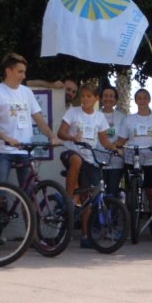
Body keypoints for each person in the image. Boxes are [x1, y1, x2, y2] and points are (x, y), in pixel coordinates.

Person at [0, 52, 59, 190]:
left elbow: (39, 119)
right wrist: (6, 138)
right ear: (8, 71)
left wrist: (52, 136)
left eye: (24, 72)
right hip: (3, 151)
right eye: (20, 72)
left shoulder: (27, 92)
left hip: (25, 150)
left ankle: (28, 212)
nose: (24, 76)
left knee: (29, 194)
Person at [57, 83, 115, 248]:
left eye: (89, 96)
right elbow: (60, 132)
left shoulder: (99, 117)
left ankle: (85, 235)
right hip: (71, 153)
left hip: (90, 158)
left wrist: (114, 148)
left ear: (96, 99)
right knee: (76, 160)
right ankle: (68, 198)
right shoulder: (73, 112)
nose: (85, 99)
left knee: (88, 198)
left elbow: (103, 139)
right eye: (83, 96)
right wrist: (71, 137)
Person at [117, 88, 152, 214]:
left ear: (149, 100)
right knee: (130, 191)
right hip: (131, 158)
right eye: (139, 98)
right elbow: (121, 140)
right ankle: (130, 222)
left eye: (145, 98)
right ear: (135, 101)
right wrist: (112, 147)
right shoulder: (129, 119)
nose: (142, 101)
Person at [98, 84, 126, 197]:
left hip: (116, 161)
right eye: (105, 96)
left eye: (111, 96)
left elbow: (125, 136)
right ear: (100, 98)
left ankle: (111, 215)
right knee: (98, 194)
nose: (108, 99)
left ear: (115, 100)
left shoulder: (122, 117)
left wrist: (114, 146)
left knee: (112, 193)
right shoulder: (95, 115)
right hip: (98, 160)